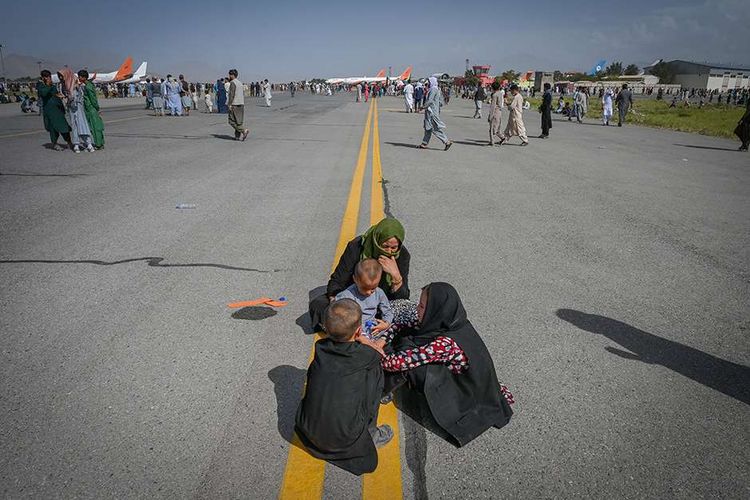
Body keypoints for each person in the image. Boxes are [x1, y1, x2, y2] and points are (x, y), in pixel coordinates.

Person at [380, 283, 514, 447]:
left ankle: (381, 389)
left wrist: (376, 353)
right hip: (476, 381)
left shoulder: (445, 343)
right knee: (408, 338)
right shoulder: (453, 322)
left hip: (465, 392)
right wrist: (387, 335)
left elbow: (398, 363)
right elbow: (406, 326)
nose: (417, 310)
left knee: (414, 368)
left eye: (422, 307)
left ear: (435, 310)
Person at [295, 299, 393, 475]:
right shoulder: (366, 355)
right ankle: (371, 432)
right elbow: (379, 355)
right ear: (358, 330)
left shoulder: (320, 349)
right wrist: (367, 341)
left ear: (325, 327)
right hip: (344, 439)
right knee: (375, 373)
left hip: (309, 431)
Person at [308, 218, 410, 332]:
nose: (389, 252)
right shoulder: (356, 247)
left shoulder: (402, 255)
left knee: (407, 312)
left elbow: (403, 298)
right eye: (385, 246)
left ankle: (353, 329)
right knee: (318, 305)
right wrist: (339, 308)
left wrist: (396, 277)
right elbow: (336, 282)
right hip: (352, 301)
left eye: (393, 248)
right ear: (376, 241)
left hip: (380, 304)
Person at [335, 259, 393, 339]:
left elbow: (387, 311)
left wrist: (386, 323)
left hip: (373, 328)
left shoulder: (379, 293)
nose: (369, 292)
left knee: (393, 329)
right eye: (365, 288)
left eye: (373, 288)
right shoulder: (347, 295)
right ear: (355, 279)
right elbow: (337, 313)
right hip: (355, 330)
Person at [58, 68, 93, 153]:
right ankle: (76, 144)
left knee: (82, 124)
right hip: (71, 108)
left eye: (61, 76)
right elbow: (65, 96)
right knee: (74, 126)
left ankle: (89, 144)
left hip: (78, 107)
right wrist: (65, 98)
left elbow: (79, 96)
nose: (60, 78)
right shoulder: (62, 85)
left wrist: (70, 97)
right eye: (60, 76)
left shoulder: (77, 84)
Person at [37, 70, 73, 151]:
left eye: (49, 76)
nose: (49, 78)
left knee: (64, 127)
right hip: (50, 111)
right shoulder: (41, 86)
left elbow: (56, 94)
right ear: (43, 78)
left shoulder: (53, 86)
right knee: (53, 128)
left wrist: (61, 96)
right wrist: (48, 85)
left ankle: (69, 142)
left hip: (58, 109)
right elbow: (43, 93)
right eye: (48, 77)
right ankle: (55, 143)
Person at [417, 76, 452, 151]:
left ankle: (446, 142)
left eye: (429, 82)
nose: (428, 83)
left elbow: (429, 100)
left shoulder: (433, 90)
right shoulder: (437, 89)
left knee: (434, 128)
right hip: (433, 111)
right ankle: (424, 143)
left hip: (431, 113)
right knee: (428, 128)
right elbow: (441, 102)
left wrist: (423, 107)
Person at [78, 70, 104, 149]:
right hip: (90, 108)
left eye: (80, 77)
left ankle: (98, 144)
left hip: (91, 108)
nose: (78, 78)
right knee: (96, 126)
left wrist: (97, 108)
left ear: (84, 77)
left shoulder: (88, 87)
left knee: (95, 127)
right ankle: (100, 143)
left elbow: (93, 99)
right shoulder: (88, 84)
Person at [227, 69, 250, 141]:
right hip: (241, 103)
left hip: (235, 104)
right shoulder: (240, 83)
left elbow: (231, 94)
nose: (229, 76)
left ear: (232, 75)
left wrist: (229, 104)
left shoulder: (233, 83)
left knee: (231, 121)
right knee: (239, 121)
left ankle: (244, 130)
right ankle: (237, 136)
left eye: (230, 75)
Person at [488, 81, 504, 145]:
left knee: (492, 128)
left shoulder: (494, 95)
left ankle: (492, 141)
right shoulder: (500, 93)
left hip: (495, 112)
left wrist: (490, 116)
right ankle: (502, 137)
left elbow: (493, 106)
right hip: (499, 111)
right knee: (498, 127)